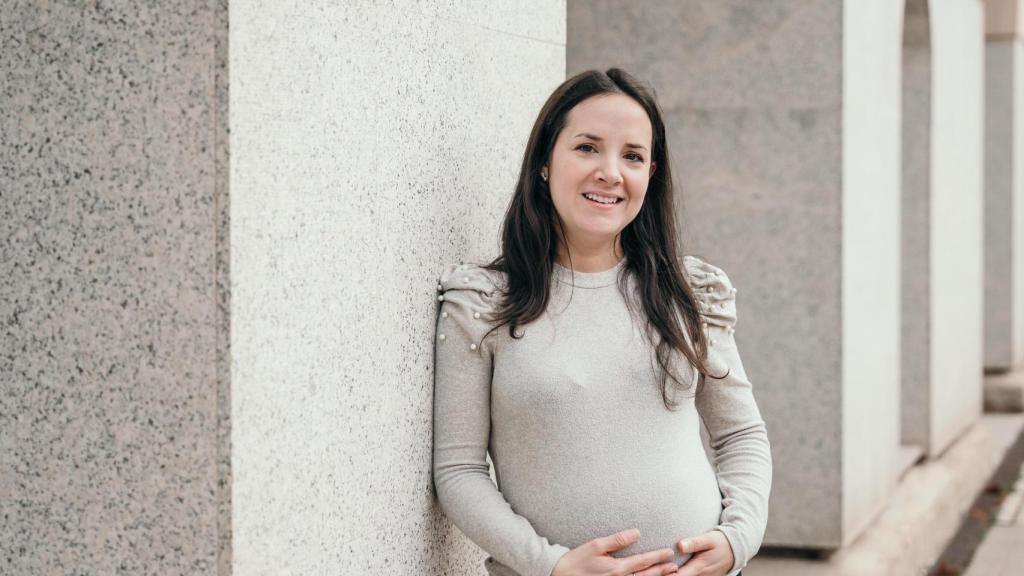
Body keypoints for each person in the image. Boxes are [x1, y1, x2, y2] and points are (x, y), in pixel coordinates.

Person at [432, 68, 771, 576]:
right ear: (545, 161)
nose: (610, 172)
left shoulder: (688, 293)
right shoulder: (484, 303)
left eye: (632, 156)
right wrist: (552, 566)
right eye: (587, 147)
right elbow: (457, 471)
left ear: (650, 174)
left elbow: (740, 435)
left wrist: (736, 540)